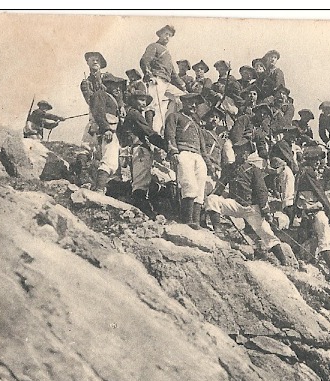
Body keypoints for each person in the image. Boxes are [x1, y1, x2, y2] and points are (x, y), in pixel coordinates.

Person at [206, 139, 289, 266]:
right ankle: (218, 230)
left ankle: (283, 261)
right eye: (239, 151)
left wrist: (265, 210)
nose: (242, 154)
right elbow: (220, 187)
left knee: (267, 233)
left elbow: (262, 190)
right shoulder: (229, 169)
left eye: (245, 152)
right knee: (212, 199)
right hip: (235, 205)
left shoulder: (254, 170)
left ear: (248, 154)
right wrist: (210, 200)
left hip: (251, 208)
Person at [164, 92, 210, 228]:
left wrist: (208, 163)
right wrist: (173, 151)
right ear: (183, 102)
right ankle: (187, 219)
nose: (194, 105)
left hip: (198, 156)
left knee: (200, 188)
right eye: (190, 102)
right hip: (184, 153)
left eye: (196, 103)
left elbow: (203, 147)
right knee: (189, 184)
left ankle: (195, 221)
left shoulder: (197, 125)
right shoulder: (174, 116)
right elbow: (169, 135)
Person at [119, 89, 168, 216]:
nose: (143, 103)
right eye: (141, 100)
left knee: (141, 179)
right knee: (141, 181)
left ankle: (142, 206)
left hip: (133, 148)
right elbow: (149, 132)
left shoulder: (130, 113)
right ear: (133, 101)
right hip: (139, 149)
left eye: (145, 100)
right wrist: (166, 146)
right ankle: (141, 209)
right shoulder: (135, 114)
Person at [293, 146, 330, 275]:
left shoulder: (302, 171)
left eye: (319, 159)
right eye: (315, 160)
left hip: (303, 209)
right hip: (313, 209)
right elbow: (319, 192)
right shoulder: (309, 172)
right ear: (309, 160)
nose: (318, 162)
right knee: (325, 236)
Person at [139, 25, 186, 133]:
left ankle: (171, 128)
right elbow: (144, 60)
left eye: (170, 35)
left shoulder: (167, 53)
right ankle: (149, 131)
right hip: (156, 79)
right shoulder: (154, 46)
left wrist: (183, 86)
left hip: (166, 83)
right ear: (160, 34)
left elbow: (173, 73)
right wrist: (149, 75)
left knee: (183, 98)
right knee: (152, 105)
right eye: (166, 34)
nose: (167, 37)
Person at [89, 73, 127, 192]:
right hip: (107, 132)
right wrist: (106, 129)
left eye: (119, 87)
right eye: (114, 85)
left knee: (114, 164)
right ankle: (99, 189)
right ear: (107, 85)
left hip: (113, 132)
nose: (118, 89)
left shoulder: (113, 99)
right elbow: (98, 113)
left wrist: (121, 106)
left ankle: (109, 190)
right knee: (109, 161)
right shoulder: (100, 95)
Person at [80, 51, 107, 149]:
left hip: (110, 114)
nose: (95, 62)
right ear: (88, 63)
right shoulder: (85, 83)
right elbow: (90, 100)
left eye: (97, 60)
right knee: (89, 144)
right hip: (95, 114)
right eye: (92, 60)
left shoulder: (108, 78)